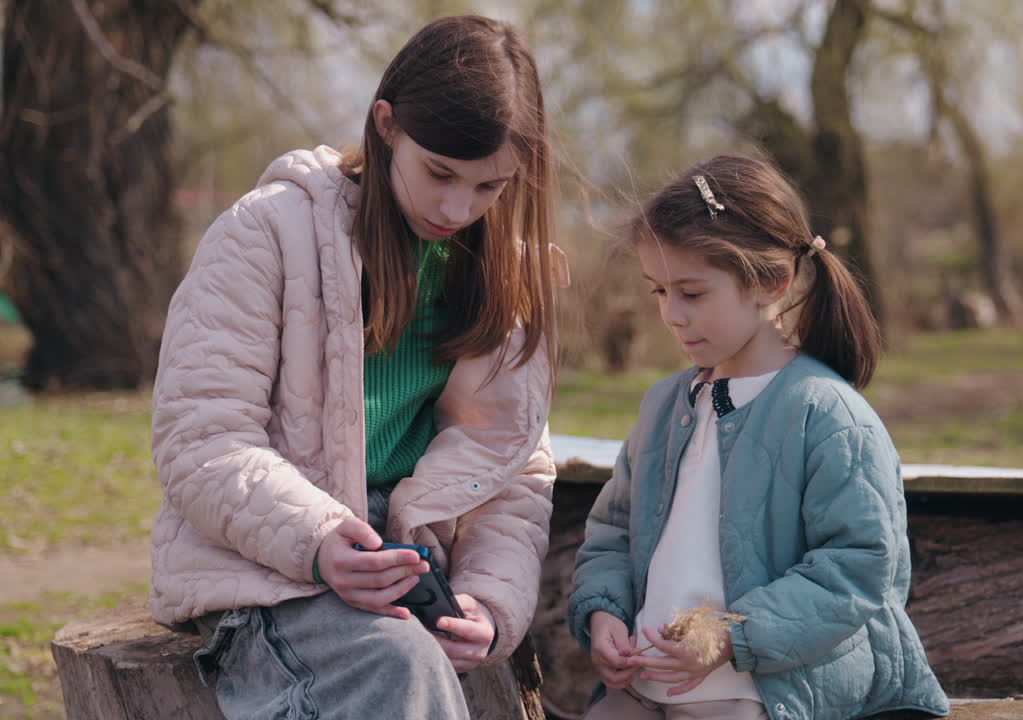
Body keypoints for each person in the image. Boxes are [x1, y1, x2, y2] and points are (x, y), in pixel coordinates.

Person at [148, 15, 560, 719]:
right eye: (440, 174)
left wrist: (488, 602)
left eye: (489, 187)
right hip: (268, 566)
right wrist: (317, 543)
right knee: (399, 669)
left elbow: (513, 470)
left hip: (414, 562)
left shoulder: (508, 274)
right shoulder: (266, 233)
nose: (459, 208)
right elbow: (200, 440)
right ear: (386, 124)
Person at [567, 156, 950, 720]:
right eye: (658, 291)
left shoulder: (828, 414)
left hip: (765, 694)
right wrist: (603, 614)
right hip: (647, 687)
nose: (671, 314)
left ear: (771, 282)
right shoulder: (662, 406)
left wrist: (731, 636)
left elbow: (858, 566)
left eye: (692, 293)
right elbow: (613, 533)